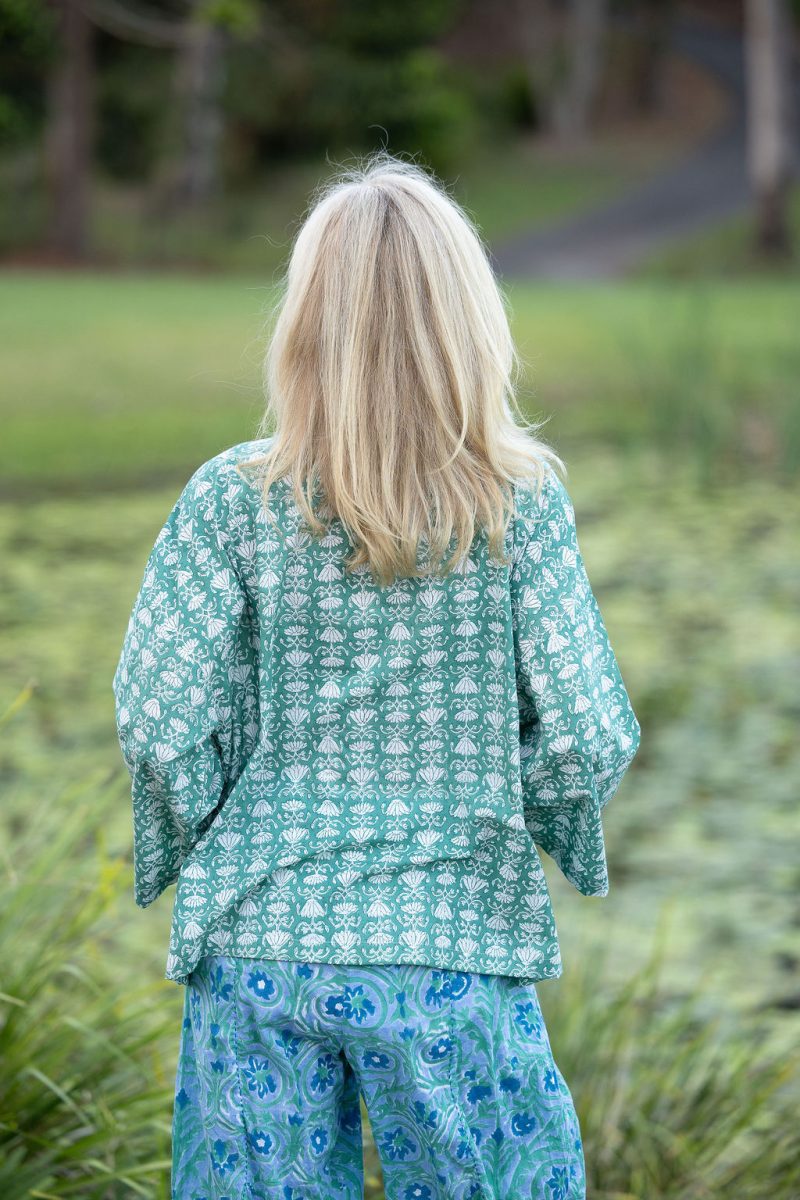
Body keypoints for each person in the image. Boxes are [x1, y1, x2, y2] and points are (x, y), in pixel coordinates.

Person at [112, 152, 641, 1200]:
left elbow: (160, 724)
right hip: (451, 946)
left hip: (260, 942)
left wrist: (222, 832)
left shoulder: (230, 500)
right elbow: (585, 732)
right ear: (469, 324)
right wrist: (526, 813)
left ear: (305, 326)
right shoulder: (518, 506)